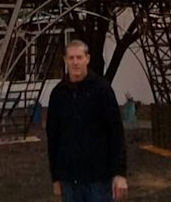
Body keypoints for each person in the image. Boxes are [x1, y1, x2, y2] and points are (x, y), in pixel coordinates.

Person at [46, 39, 128, 202]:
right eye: (71, 58)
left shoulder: (102, 90)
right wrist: (55, 177)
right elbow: (53, 137)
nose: (75, 62)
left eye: (79, 57)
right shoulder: (58, 94)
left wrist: (120, 174)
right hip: (69, 180)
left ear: (87, 59)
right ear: (65, 60)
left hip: (98, 179)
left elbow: (116, 132)